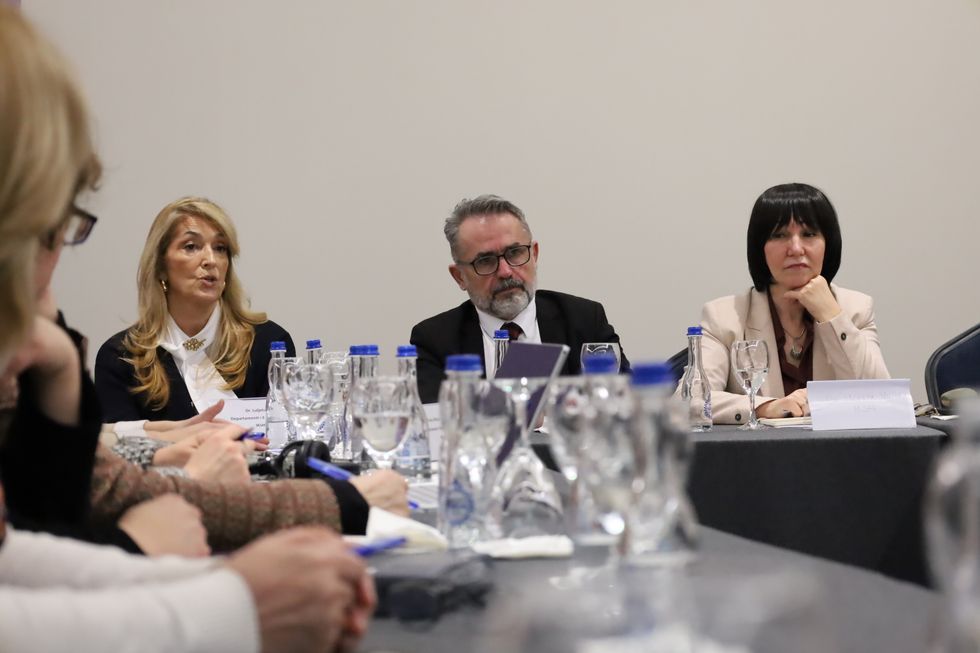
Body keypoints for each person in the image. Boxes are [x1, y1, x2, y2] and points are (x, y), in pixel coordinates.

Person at [0, 7, 373, 651]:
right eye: (45, 225)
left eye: (220, 249)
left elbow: (31, 538)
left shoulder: (267, 339)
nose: (210, 262)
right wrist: (218, 592)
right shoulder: (121, 353)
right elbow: (93, 500)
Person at [693, 182, 890, 425]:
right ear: (760, 248)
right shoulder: (724, 316)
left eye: (809, 234)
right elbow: (690, 402)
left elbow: (884, 399)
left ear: (828, 244)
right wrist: (764, 407)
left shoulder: (856, 309)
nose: (796, 249)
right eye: (779, 235)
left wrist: (830, 314)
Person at [410, 194, 630, 403]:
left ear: (534, 254)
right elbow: (438, 422)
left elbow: (622, 403)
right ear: (459, 276)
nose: (505, 272)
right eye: (485, 261)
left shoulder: (585, 320)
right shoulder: (434, 341)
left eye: (515, 253)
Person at [95, 197, 293, 422]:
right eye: (191, 246)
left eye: (220, 248)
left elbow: (284, 438)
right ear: (160, 266)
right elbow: (121, 443)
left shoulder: (270, 345)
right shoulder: (121, 358)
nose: (211, 260)